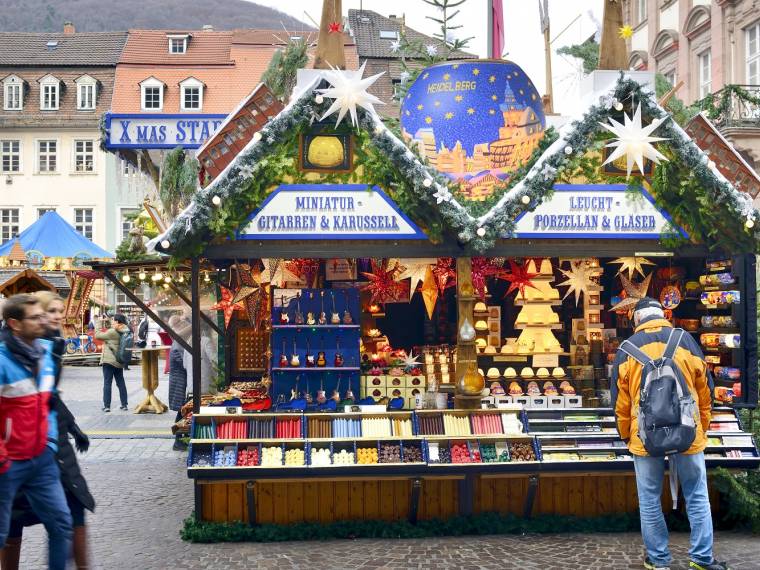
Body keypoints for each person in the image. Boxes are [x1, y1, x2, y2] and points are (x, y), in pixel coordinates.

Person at [611, 298, 729, 570]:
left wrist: (627, 436)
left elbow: (621, 402)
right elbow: (705, 391)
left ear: (636, 320)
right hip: (689, 431)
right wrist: (703, 426)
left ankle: (659, 560)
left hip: (644, 435)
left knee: (650, 497)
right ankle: (701, 559)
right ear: (662, 315)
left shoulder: (626, 349)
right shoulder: (685, 341)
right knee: (697, 494)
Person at [1, 291, 95, 570]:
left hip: (42, 457)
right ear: (15, 323)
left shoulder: (46, 352)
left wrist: (50, 442)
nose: (46, 320)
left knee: (63, 523)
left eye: (51, 313)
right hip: (10, 461)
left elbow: (48, 402)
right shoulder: (4, 359)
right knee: (5, 530)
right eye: (38, 316)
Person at [96, 313, 130, 412]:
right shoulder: (124, 330)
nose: (112, 321)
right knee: (120, 382)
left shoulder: (112, 332)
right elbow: (111, 328)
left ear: (117, 322)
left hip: (109, 361)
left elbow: (98, 335)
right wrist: (107, 321)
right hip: (119, 360)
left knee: (107, 383)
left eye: (113, 320)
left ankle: (107, 406)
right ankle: (124, 404)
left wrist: (98, 322)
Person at [168, 310, 192, 451]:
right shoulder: (178, 345)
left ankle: (180, 440)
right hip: (180, 386)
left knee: (182, 412)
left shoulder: (179, 342)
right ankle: (178, 441)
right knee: (182, 413)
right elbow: (185, 364)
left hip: (181, 384)